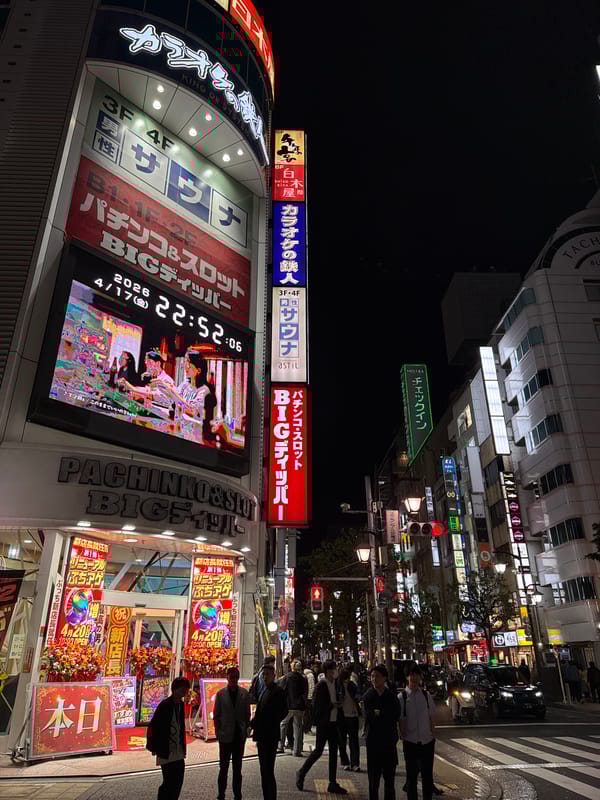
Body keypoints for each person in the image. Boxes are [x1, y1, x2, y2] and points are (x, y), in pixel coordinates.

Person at [296, 660, 347, 795]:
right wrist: (332, 705)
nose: (334, 672)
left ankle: (332, 782)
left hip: (334, 722)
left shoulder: (335, 684)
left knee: (333, 752)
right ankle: (301, 772)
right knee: (318, 750)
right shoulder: (321, 686)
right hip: (324, 723)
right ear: (327, 671)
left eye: (335, 669)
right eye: (332, 670)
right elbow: (317, 707)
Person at [147, 676, 191, 800]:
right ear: (175, 689)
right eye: (183, 689)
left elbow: (181, 727)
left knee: (178, 781)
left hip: (178, 750)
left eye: (186, 690)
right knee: (169, 782)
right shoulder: (165, 705)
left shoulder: (181, 705)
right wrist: (154, 747)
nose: (185, 692)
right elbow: (155, 727)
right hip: (166, 750)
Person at [249, 662, 288, 800]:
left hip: (270, 735)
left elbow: (283, 711)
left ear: (274, 676)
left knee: (268, 770)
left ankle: (270, 797)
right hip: (262, 735)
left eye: (268, 675)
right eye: (263, 674)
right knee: (264, 770)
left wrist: (271, 721)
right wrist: (253, 724)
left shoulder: (278, 692)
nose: (265, 677)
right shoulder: (263, 690)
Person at [362, 665, 400, 800]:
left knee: (389, 781)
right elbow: (370, 717)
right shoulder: (368, 696)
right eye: (372, 676)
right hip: (373, 742)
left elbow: (395, 715)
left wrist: (380, 714)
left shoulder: (391, 696)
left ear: (384, 678)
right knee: (373, 781)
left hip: (389, 742)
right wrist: (381, 715)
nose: (374, 679)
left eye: (377, 676)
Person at [399, 665, 436, 800]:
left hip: (427, 740)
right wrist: (403, 736)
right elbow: (401, 719)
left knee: (427, 775)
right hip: (410, 741)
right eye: (411, 674)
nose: (414, 677)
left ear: (420, 677)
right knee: (411, 776)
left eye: (416, 675)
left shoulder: (426, 696)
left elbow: (432, 716)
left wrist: (433, 734)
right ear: (407, 677)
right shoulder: (402, 697)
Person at [214, 666, 251, 800]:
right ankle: (221, 793)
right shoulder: (220, 694)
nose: (234, 680)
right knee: (223, 768)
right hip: (225, 736)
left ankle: (237, 794)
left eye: (236, 677)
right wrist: (218, 733)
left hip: (239, 736)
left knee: (237, 768)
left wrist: (246, 730)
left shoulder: (244, 694)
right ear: (227, 678)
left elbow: (247, 715)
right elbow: (217, 715)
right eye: (231, 677)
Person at [278, 660, 308, 756]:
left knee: (283, 724)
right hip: (299, 706)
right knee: (298, 727)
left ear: (292, 667)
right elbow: (305, 691)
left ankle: (280, 745)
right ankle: (297, 750)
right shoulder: (303, 678)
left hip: (288, 705)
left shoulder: (287, 677)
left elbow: (282, 690)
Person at [338, 667, 361, 772]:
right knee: (342, 741)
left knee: (354, 741)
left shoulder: (352, 686)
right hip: (342, 716)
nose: (347, 679)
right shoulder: (338, 686)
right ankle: (345, 762)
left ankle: (355, 763)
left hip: (352, 716)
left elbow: (358, 696)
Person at [303, 664, 315, 733]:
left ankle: (305, 728)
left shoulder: (303, 674)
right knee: (309, 714)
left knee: (306, 713)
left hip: (305, 697)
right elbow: (311, 687)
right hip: (309, 697)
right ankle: (307, 728)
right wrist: (311, 697)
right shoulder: (310, 675)